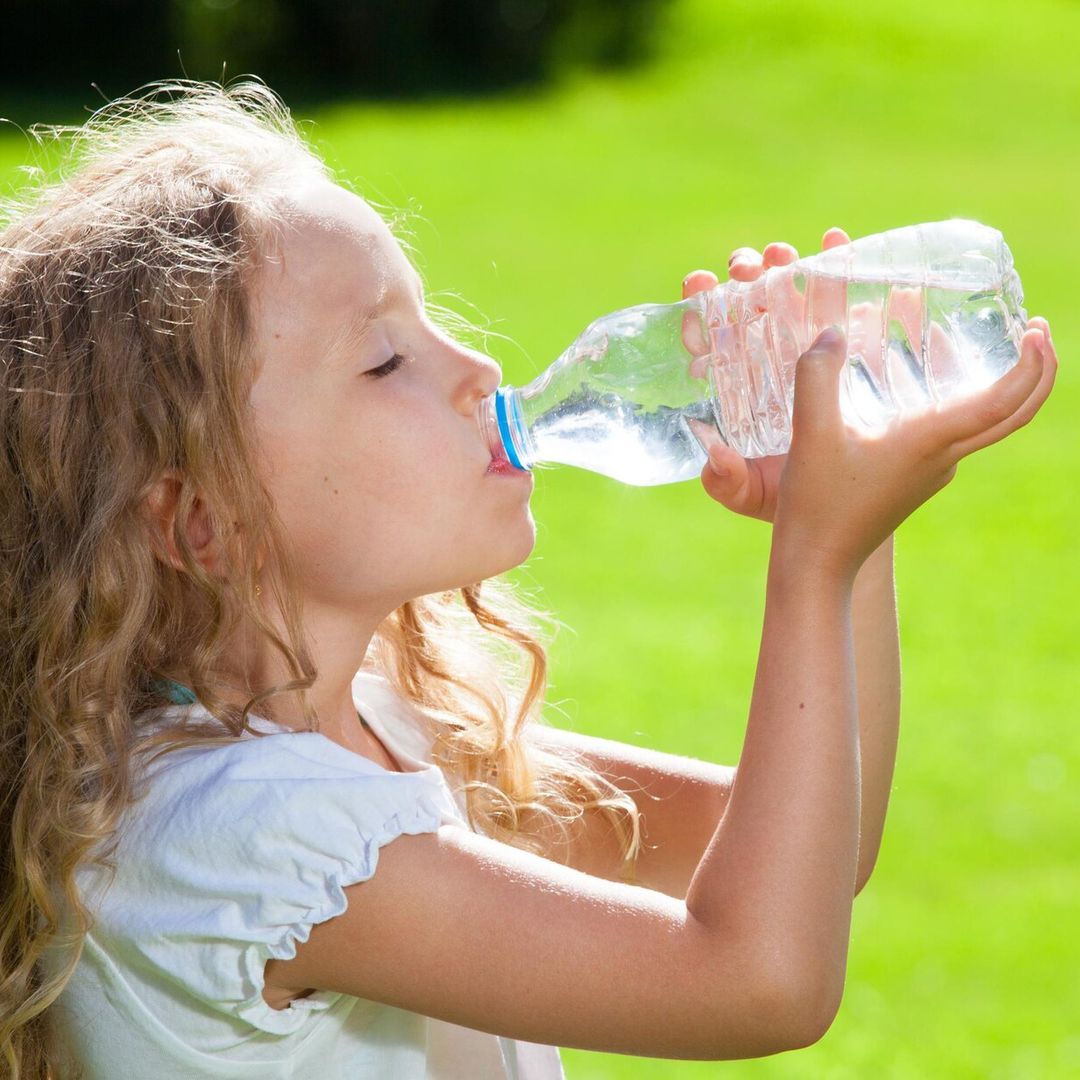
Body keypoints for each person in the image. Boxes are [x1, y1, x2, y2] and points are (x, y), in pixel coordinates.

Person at [0, 81, 1057, 1080]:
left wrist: (851, 531)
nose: (480, 370)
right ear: (202, 520)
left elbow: (817, 854)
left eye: (428, 321)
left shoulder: (382, 730)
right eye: (383, 360)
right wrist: (814, 566)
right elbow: (758, 981)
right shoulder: (241, 830)